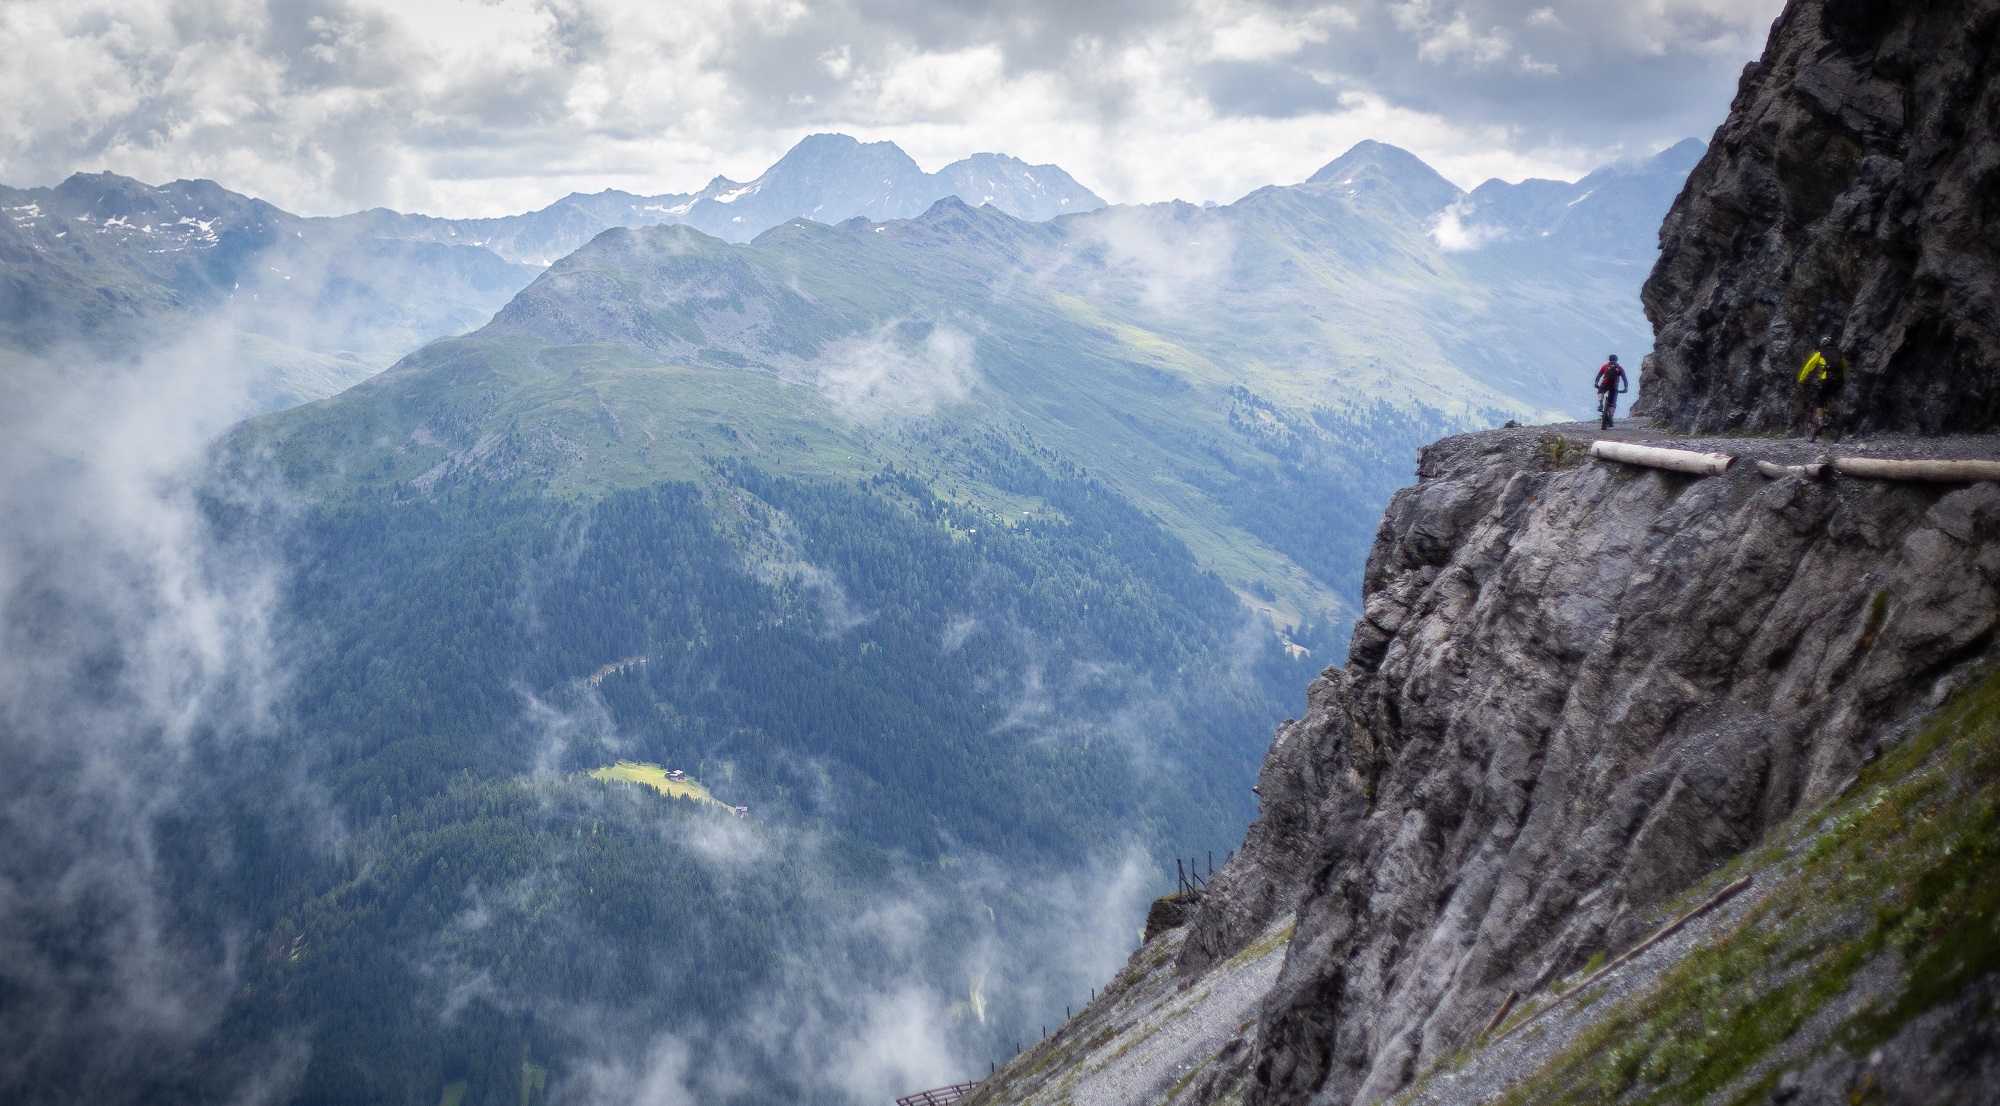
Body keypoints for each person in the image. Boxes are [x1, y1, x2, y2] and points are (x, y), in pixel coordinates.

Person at [1798, 336, 1846, 441]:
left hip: (1827, 380)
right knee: (1832, 395)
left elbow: (1808, 366)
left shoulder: (1820, 353)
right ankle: (1834, 413)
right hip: (1839, 380)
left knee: (1820, 399)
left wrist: (1801, 379)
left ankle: (1820, 422)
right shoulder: (1839, 355)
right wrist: (1844, 382)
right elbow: (1845, 369)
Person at [1595, 354, 1629, 429]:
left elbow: (1599, 375)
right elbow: (1624, 379)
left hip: (1605, 383)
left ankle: (1601, 404)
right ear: (1616, 360)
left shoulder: (1605, 366)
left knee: (1600, 392)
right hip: (1614, 385)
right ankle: (1610, 417)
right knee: (1613, 403)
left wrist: (1596, 383)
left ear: (1609, 359)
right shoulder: (1619, 368)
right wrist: (1625, 388)